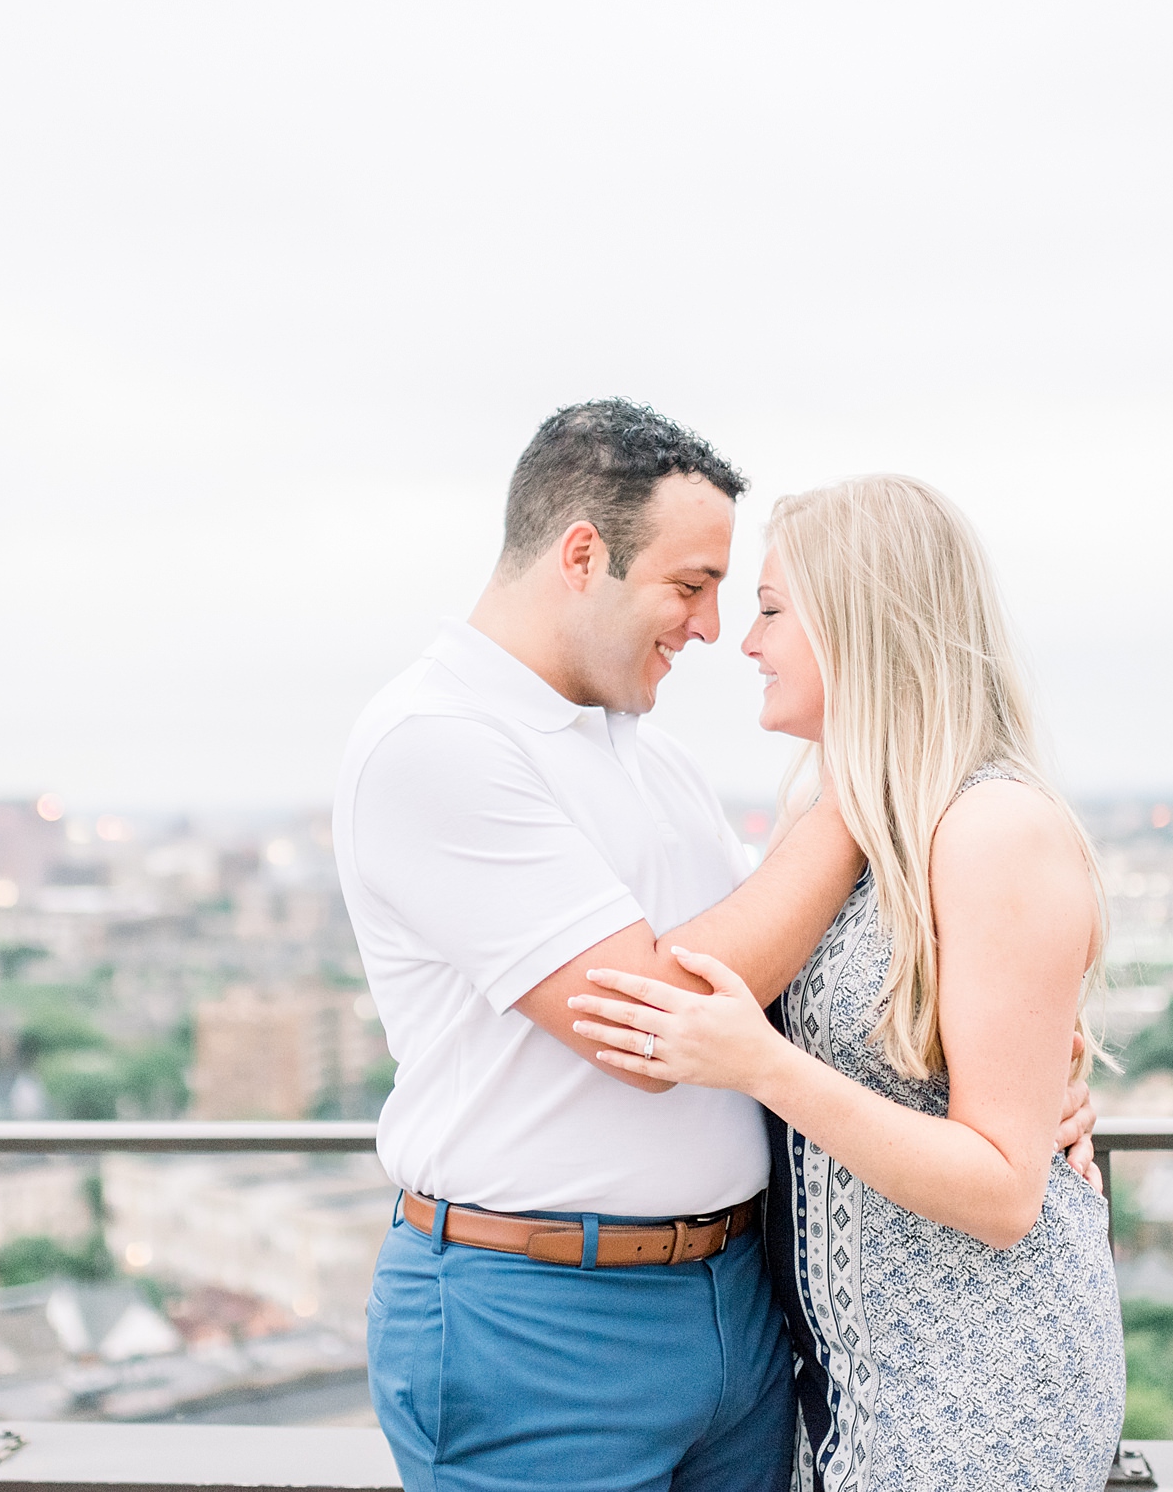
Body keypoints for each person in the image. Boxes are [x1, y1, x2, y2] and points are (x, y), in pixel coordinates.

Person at [334, 405, 1100, 1492]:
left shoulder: (650, 762)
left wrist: (1017, 1086)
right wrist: (858, 785)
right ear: (584, 557)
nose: (714, 630)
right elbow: (652, 1018)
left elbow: (776, 991)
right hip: (545, 1318)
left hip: (746, 1313)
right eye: (692, 585)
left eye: (753, 602)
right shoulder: (438, 742)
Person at [567, 473, 1126, 1491]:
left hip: (981, 1393)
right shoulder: (852, 832)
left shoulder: (992, 828)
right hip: (855, 1392)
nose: (746, 642)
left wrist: (762, 1064)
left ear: (863, 625)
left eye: (774, 610)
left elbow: (1004, 1189)